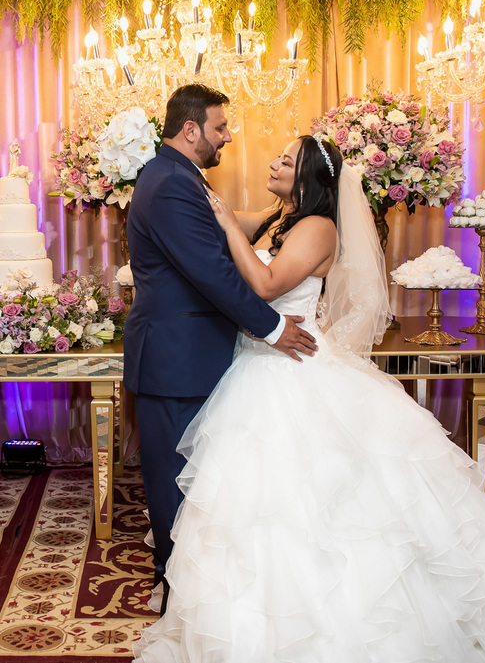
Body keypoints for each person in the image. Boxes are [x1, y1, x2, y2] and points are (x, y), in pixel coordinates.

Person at [132, 134, 485, 662]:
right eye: (277, 156)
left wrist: (228, 226)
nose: (273, 163)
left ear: (308, 177)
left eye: (286, 159)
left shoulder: (318, 227)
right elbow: (212, 230)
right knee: (249, 497)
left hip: (292, 364)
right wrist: (195, 208)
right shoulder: (280, 217)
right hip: (257, 365)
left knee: (314, 494)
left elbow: (267, 284)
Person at [123, 83, 318, 612]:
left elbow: (224, 240)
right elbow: (210, 272)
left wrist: (277, 215)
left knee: (201, 478)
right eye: (220, 127)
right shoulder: (171, 184)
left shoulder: (179, 176)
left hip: (191, 355)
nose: (227, 137)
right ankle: (178, 590)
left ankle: (198, 583)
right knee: (174, 480)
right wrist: (272, 328)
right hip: (175, 359)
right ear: (191, 130)